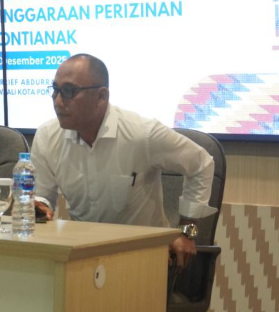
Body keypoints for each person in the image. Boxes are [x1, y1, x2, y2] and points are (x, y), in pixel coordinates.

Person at [31, 54, 215, 269]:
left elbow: (202, 164)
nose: (58, 101)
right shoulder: (46, 136)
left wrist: (187, 231)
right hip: (81, 257)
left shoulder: (142, 134)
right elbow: (43, 195)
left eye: (69, 91)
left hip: (142, 257)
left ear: (101, 96)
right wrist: (40, 206)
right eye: (55, 90)